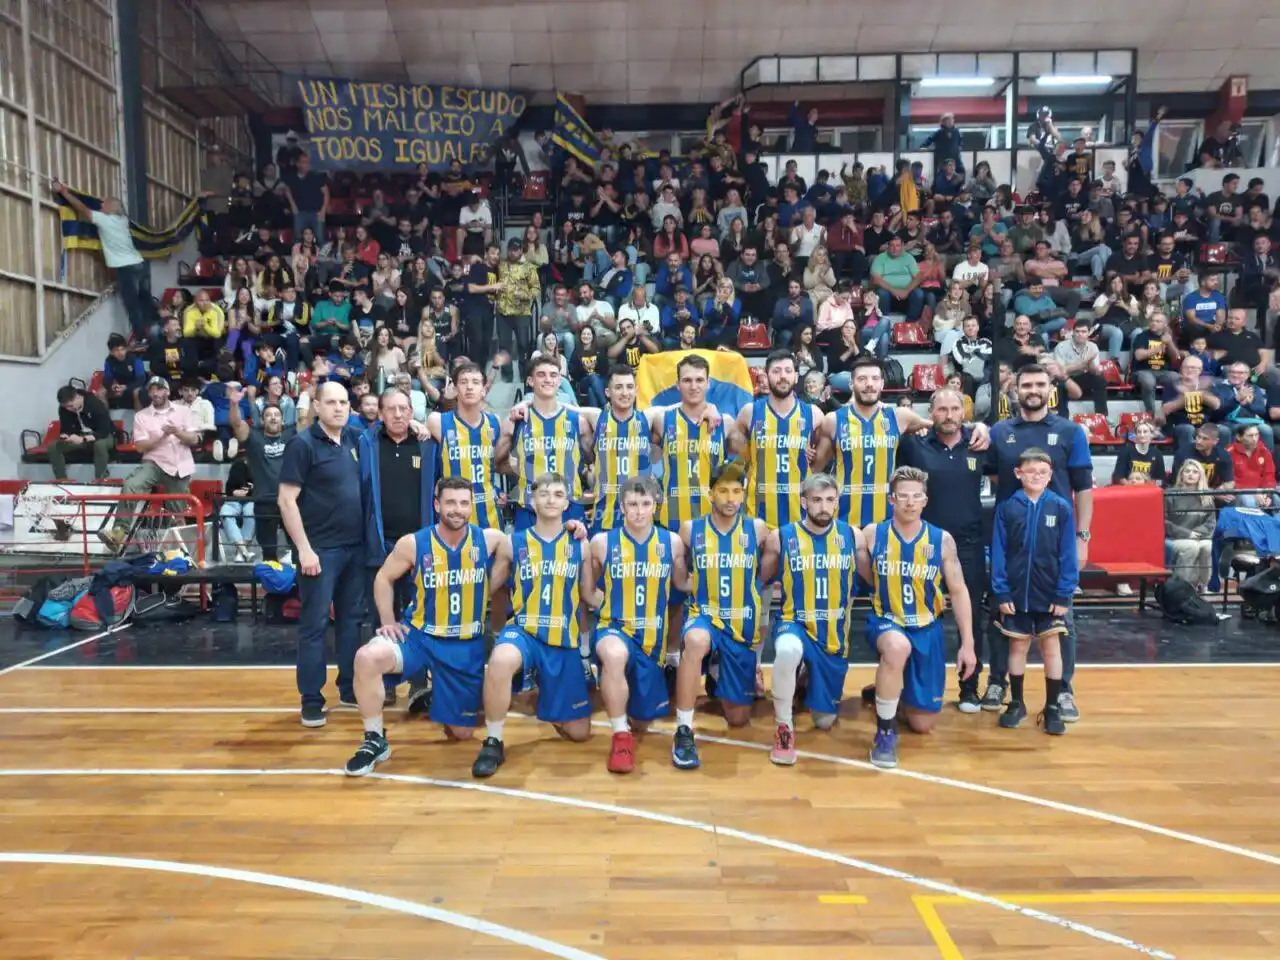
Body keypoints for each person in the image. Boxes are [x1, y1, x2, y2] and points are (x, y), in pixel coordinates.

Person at [343, 478, 512, 776]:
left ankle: (438, 695)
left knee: (462, 733)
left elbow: (514, 551)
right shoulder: (414, 543)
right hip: (419, 636)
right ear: (437, 505)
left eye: (463, 503)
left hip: (464, 645)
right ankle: (373, 738)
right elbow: (383, 578)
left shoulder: (489, 539)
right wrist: (387, 621)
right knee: (366, 658)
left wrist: (487, 587)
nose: (457, 509)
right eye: (450, 502)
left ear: (471, 507)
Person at [984, 365, 1094, 724]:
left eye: (1039, 384)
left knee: (1062, 620)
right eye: (1026, 384)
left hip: (1054, 545)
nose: (1033, 390)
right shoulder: (1001, 431)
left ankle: (1061, 691)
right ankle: (999, 683)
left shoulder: (1069, 431)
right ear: (1014, 390)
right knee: (1002, 616)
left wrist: (1082, 536)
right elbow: (990, 475)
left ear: (1051, 388)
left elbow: (1085, 487)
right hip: (1013, 544)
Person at [471, 473, 592, 777]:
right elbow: (486, 588)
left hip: (563, 637)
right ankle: (493, 740)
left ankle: (543, 698)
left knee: (579, 733)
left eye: (558, 494)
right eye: (544, 494)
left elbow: (588, 595)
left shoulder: (582, 545)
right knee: (499, 660)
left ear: (568, 502)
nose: (551, 499)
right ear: (531, 501)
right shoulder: (514, 543)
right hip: (524, 629)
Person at [859, 466, 976, 768]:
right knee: (897, 648)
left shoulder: (942, 540)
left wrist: (968, 645)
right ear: (891, 500)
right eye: (903, 497)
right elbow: (862, 573)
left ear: (925, 500)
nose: (910, 503)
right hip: (887, 620)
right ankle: (884, 734)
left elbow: (959, 591)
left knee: (922, 724)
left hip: (927, 625)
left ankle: (889, 694)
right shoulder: (872, 535)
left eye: (916, 497)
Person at [670, 462, 778, 769]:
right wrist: (699, 585)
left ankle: (718, 676)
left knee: (738, 719)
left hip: (741, 624)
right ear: (710, 494)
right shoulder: (691, 530)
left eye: (737, 492)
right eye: (723, 491)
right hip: (705, 615)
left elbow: (764, 576)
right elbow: (680, 580)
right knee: (695, 640)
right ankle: (683, 729)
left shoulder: (757, 529)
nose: (730, 499)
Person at [582, 476, 689, 773]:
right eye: (632, 504)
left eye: (645, 504)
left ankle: (627, 713)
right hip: (614, 627)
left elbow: (682, 584)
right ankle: (619, 736)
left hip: (652, 639)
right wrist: (603, 604)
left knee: (643, 720)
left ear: (655, 505)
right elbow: (588, 592)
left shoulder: (672, 542)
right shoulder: (602, 543)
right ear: (621, 507)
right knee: (614, 655)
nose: (639, 511)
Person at [277, 381, 367, 728]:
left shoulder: (355, 439)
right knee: (314, 626)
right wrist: (304, 550)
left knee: (350, 623)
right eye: (331, 402)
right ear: (316, 406)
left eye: (344, 402)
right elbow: (286, 501)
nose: (339, 408)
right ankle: (312, 699)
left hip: (354, 550)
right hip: (320, 552)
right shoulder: (302, 445)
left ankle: (347, 687)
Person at [896, 388, 990, 712]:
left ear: (963, 412)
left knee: (972, 617)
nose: (948, 415)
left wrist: (985, 428)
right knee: (916, 616)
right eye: (941, 410)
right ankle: (911, 684)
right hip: (923, 544)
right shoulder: (913, 445)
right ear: (931, 413)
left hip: (968, 544)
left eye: (954, 408)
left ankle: (969, 688)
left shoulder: (979, 444)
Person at [813, 357, 986, 528]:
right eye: (862, 379)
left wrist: (979, 427)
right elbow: (815, 470)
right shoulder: (833, 421)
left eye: (874, 379)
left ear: (882, 384)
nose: (869, 384)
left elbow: (946, 425)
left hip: (888, 523)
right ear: (852, 384)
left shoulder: (899, 416)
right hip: (844, 520)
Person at [764, 474, 862, 765]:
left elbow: (874, 580)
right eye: (817, 500)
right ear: (803, 501)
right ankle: (784, 727)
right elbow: (758, 581)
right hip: (794, 622)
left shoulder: (853, 536)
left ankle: (805, 679)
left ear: (837, 503)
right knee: (787, 651)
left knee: (824, 721)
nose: (823, 506)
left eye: (830, 500)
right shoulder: (781, 536)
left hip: (832, 635)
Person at [990, 449, 1078, 737]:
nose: (1036, 476)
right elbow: (999, 552)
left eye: (1042, 472)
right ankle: (1016, 702)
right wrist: (1001, 593)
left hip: (1049, 595)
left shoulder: (1061, 507)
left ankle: (1052, 706)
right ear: (1018, 473)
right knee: (1018, 647)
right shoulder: (1007, 508)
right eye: (1030, 471)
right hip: (1015, 595)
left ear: (1051, 475)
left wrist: (1064, 594)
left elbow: (1067, 554)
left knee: (1051, 648)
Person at [98, 378, 198, 550]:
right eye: (152, 390)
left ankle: (183, 551)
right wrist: (161, 435)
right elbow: (140, 447)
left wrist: (176, 431)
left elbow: (194, 440)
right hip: (154, 462)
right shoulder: (141, 416)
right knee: (131, 484)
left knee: (178, 513)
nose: (155, 393)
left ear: (167, 391)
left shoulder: (183, 411)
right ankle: (119, 532)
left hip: (179, 466)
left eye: (159, 389)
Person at [51, 179, 153, 343]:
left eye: (103, 204)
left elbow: (83, 208)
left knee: (132, 305)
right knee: (145, 300)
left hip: (126, 268)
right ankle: (157, 328)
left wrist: (64, 192)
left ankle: (142, 339)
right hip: (140, 264)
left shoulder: (105, 220)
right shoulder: (123, 220)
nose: (100, 205)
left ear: (110, 208)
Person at [500, 356, 594, 530]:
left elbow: (591, 461)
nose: (548, 379)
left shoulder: (578, 421)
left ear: (560, 380)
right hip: (529, 508)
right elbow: (498, 464)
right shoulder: (515, 421)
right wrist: (520, 468)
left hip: (570, 507)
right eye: (541, 375)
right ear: (530, 380)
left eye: (553, 375)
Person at [736, 351, 821, 530]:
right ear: (766, 377)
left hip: (801, 516)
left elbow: (822, 458)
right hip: (758, 517)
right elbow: (738, 459)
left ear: (796, 377)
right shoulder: (749, 413)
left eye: (788, 371)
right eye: (776, 371)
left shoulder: (814, 414)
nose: (783, 376)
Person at [424, 363, 509, 530]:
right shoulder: (438, 422)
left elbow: (495, 464)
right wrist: (414, 423)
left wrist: (498, 491)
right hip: (452, 515)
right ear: (454, 389)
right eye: (463, 382)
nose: (470, 387)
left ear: (484, 390)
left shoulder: (495, 422)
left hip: (489, 514)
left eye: (476, 382)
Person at [228, 385, 294, 561]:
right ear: (262, 421)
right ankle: (273, 586)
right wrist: (234, 404)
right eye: (268, 415)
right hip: (264, 501)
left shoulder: (291, 435)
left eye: (276, 415)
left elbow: (307, 422)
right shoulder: (254, 437)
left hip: (291, 500)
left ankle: (297, 588)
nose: (273, 418)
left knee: (298, 550)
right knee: (269, 553)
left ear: (282, 420)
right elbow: (236, 424)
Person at [50, 384, 115, 480]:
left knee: (99, 445)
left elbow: (104, 430)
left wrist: (83, 439)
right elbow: (66, 429)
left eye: (70, 406)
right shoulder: (64, 409)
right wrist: (66, 436)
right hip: (80, 437)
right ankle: (61, 479)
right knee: (54, 446)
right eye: (65, 407)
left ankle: (101, 479)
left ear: (77, 397)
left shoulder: (94, 403)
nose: (68, 409)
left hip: (104, 436)